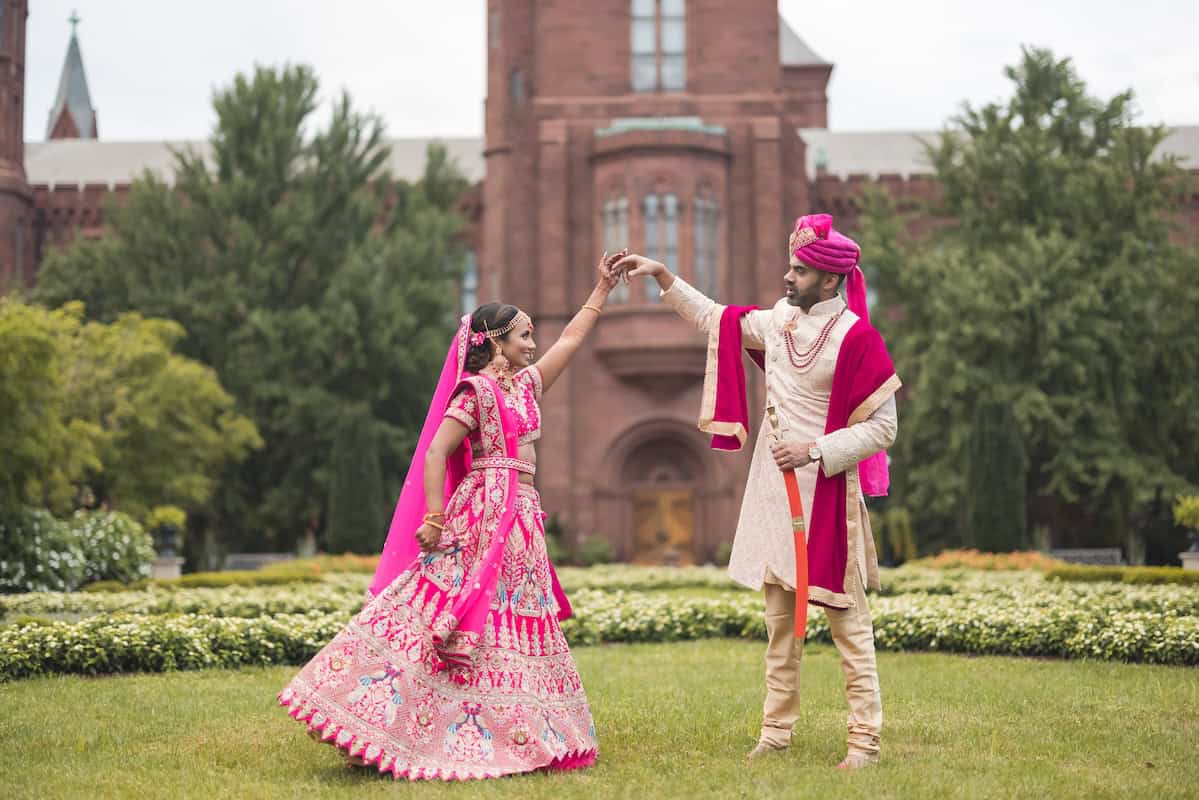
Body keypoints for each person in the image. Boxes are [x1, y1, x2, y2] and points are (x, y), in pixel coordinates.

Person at [279, 251, 627, 780]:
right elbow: (438, 452)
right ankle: (365, 716)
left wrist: (601, 290)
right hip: (482, 514)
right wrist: (437, 518)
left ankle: (519, 730)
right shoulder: (477, 391)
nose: (533, 345)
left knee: (512, 620)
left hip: (523, 516)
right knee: (438, 613)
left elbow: (573, 342)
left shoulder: (527, 387)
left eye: (533, 336)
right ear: (493, 342)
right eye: (523, 336)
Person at [612, 215, 899, 769]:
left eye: (800, 270)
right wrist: (663, 276)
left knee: (848, 625)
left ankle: (864, 742)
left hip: (827, 498)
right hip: (773, 494)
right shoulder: (780, 321)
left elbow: (883, 429)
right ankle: (775, 733)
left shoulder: (857, 338)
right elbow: (714, 318)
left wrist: (814, 449)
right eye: (790, 266)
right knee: (778, 627)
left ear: (831, 281)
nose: (788, 277)